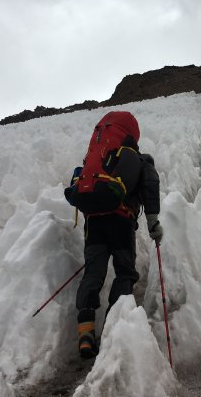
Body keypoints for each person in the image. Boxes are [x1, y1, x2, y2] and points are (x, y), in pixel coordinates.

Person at [64, 111, 163, 359]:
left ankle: (85, 332)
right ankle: (112, 331)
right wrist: (153, 223)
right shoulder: (138, 159)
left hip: (94, 222)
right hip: (120, 221)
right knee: (125, 272)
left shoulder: (100, 158)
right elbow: (150, 187)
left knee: (94, 273)